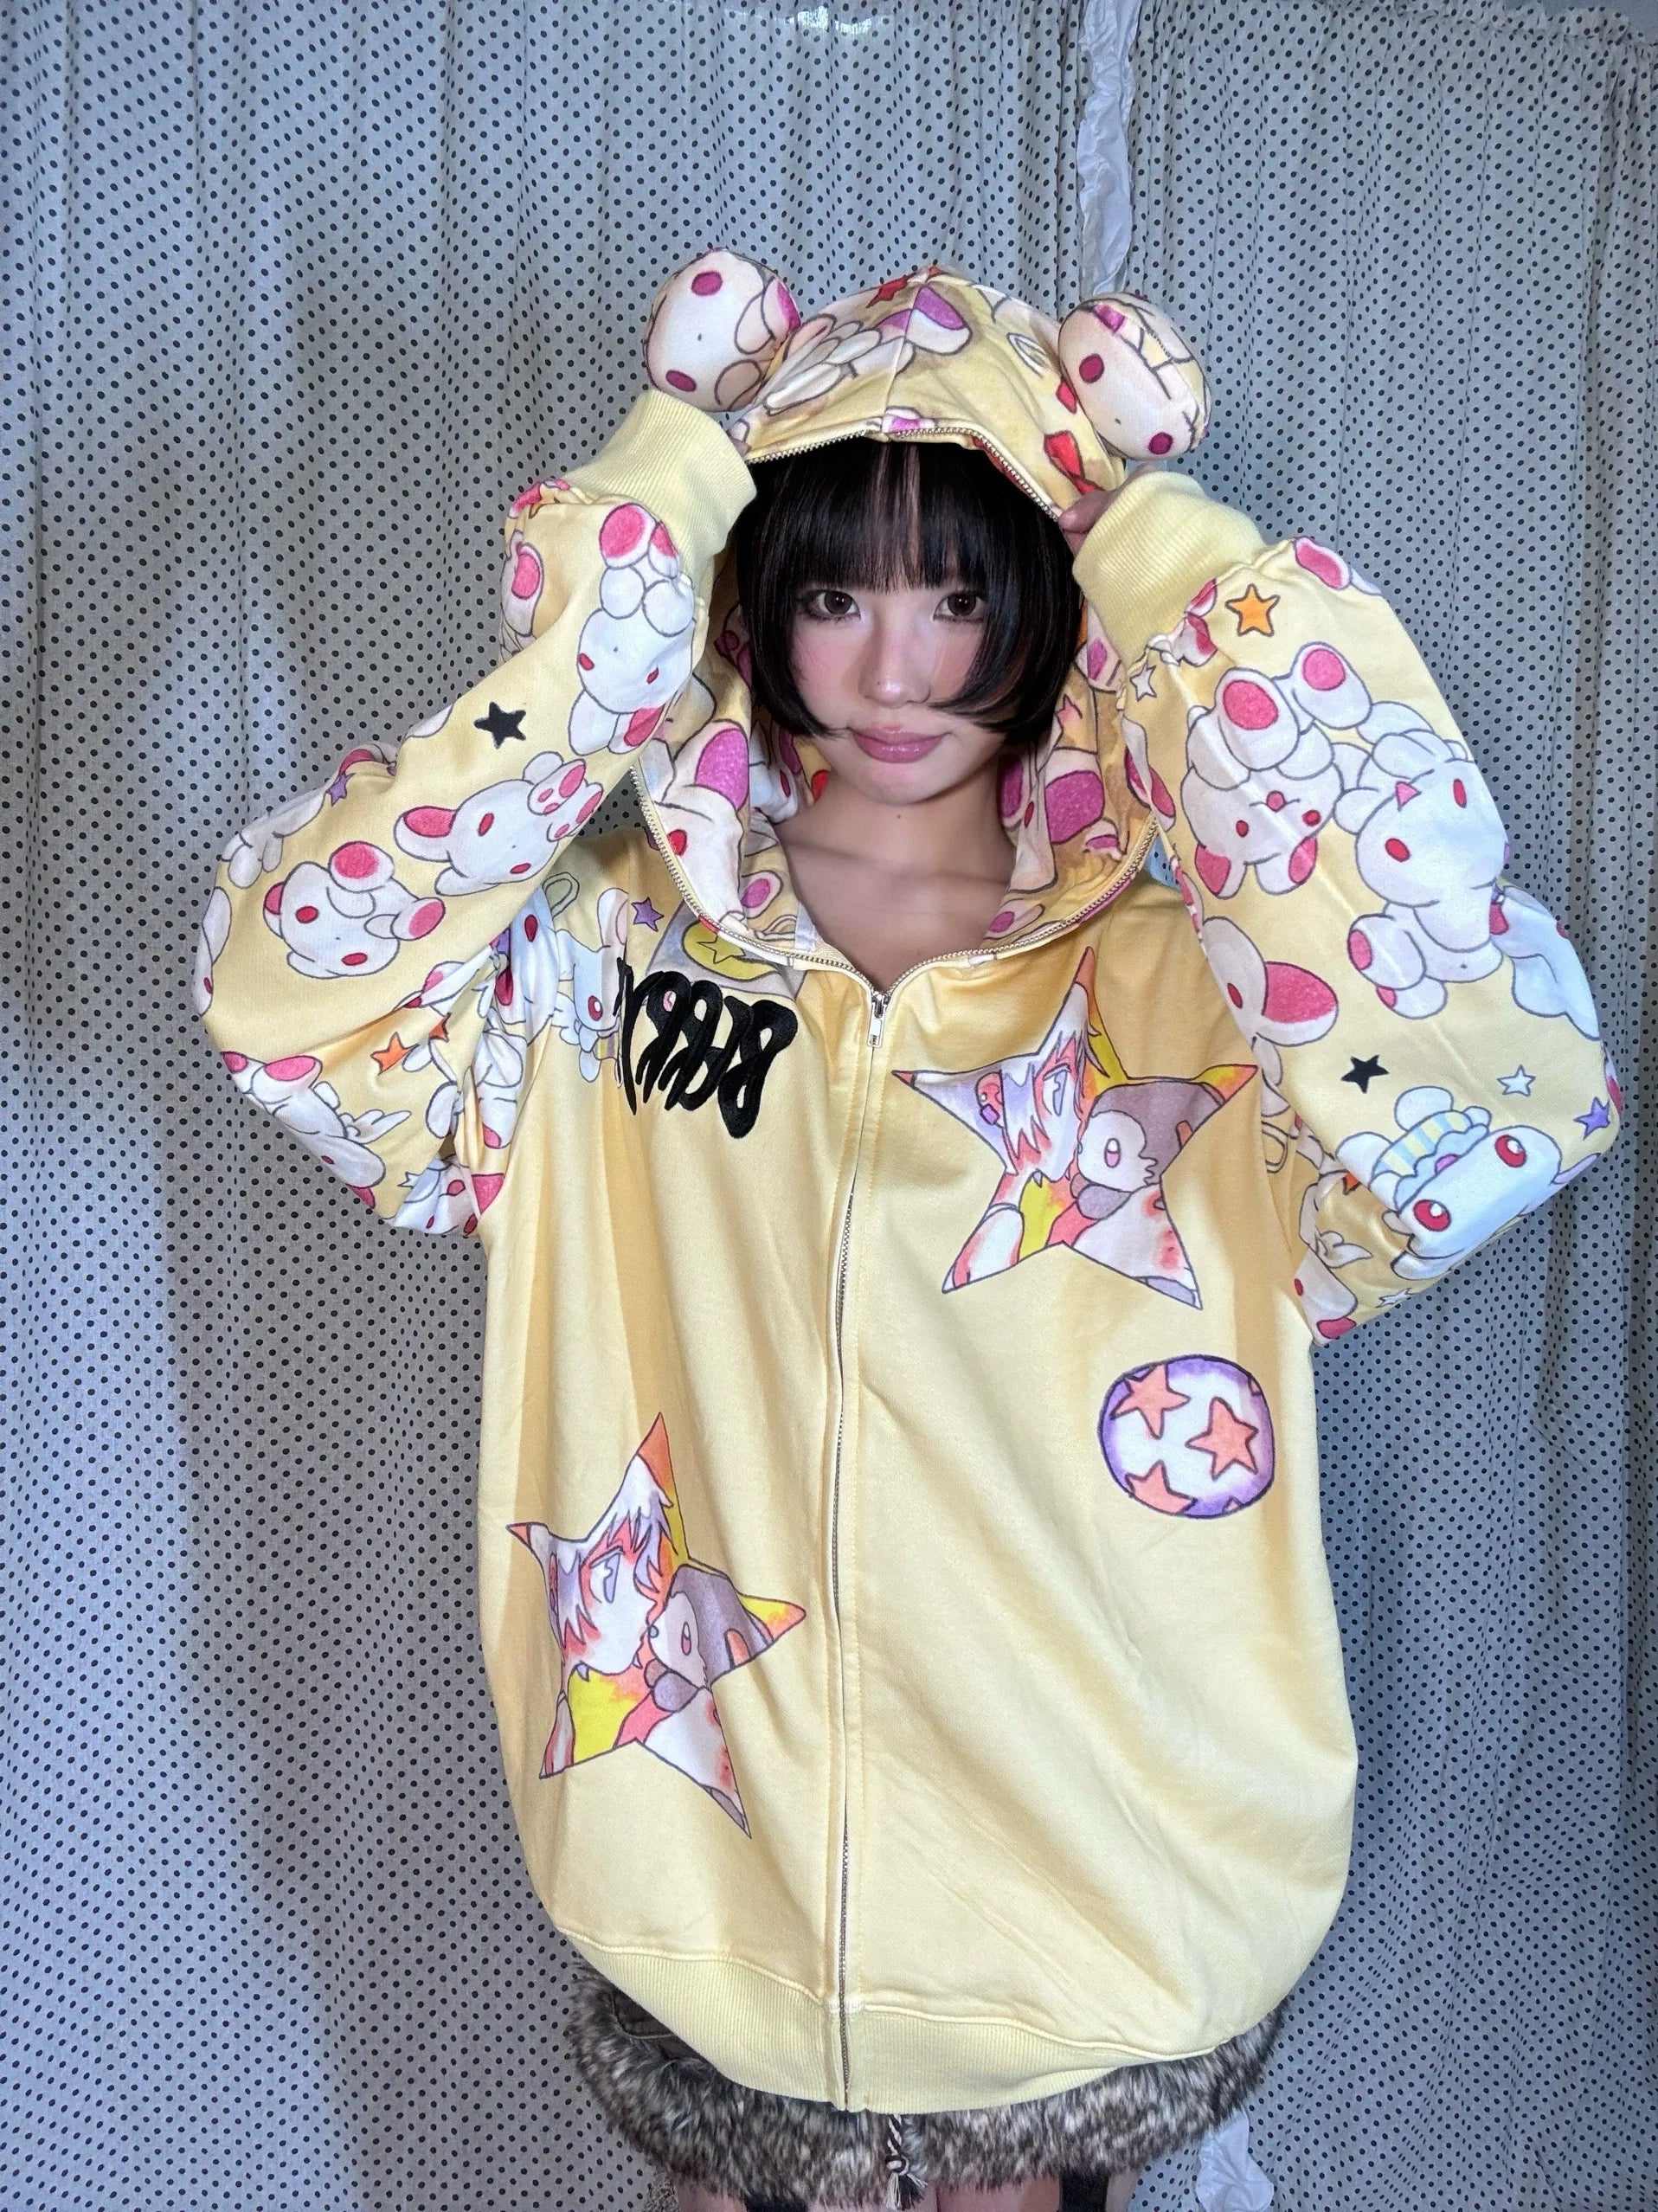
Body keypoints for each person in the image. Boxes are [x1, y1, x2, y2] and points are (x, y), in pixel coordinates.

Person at [194, 256, 1620, 2212]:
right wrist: (645, 535)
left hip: (1103, 1901)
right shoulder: (606, 943)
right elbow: (286, 988)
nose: (896, 674)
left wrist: (1159, 549)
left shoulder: (1209, 973)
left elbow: (1495, 1096)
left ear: (1051, 600)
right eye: (833, 597)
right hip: (711, 1899)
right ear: (746, 606)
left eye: (962, 594)